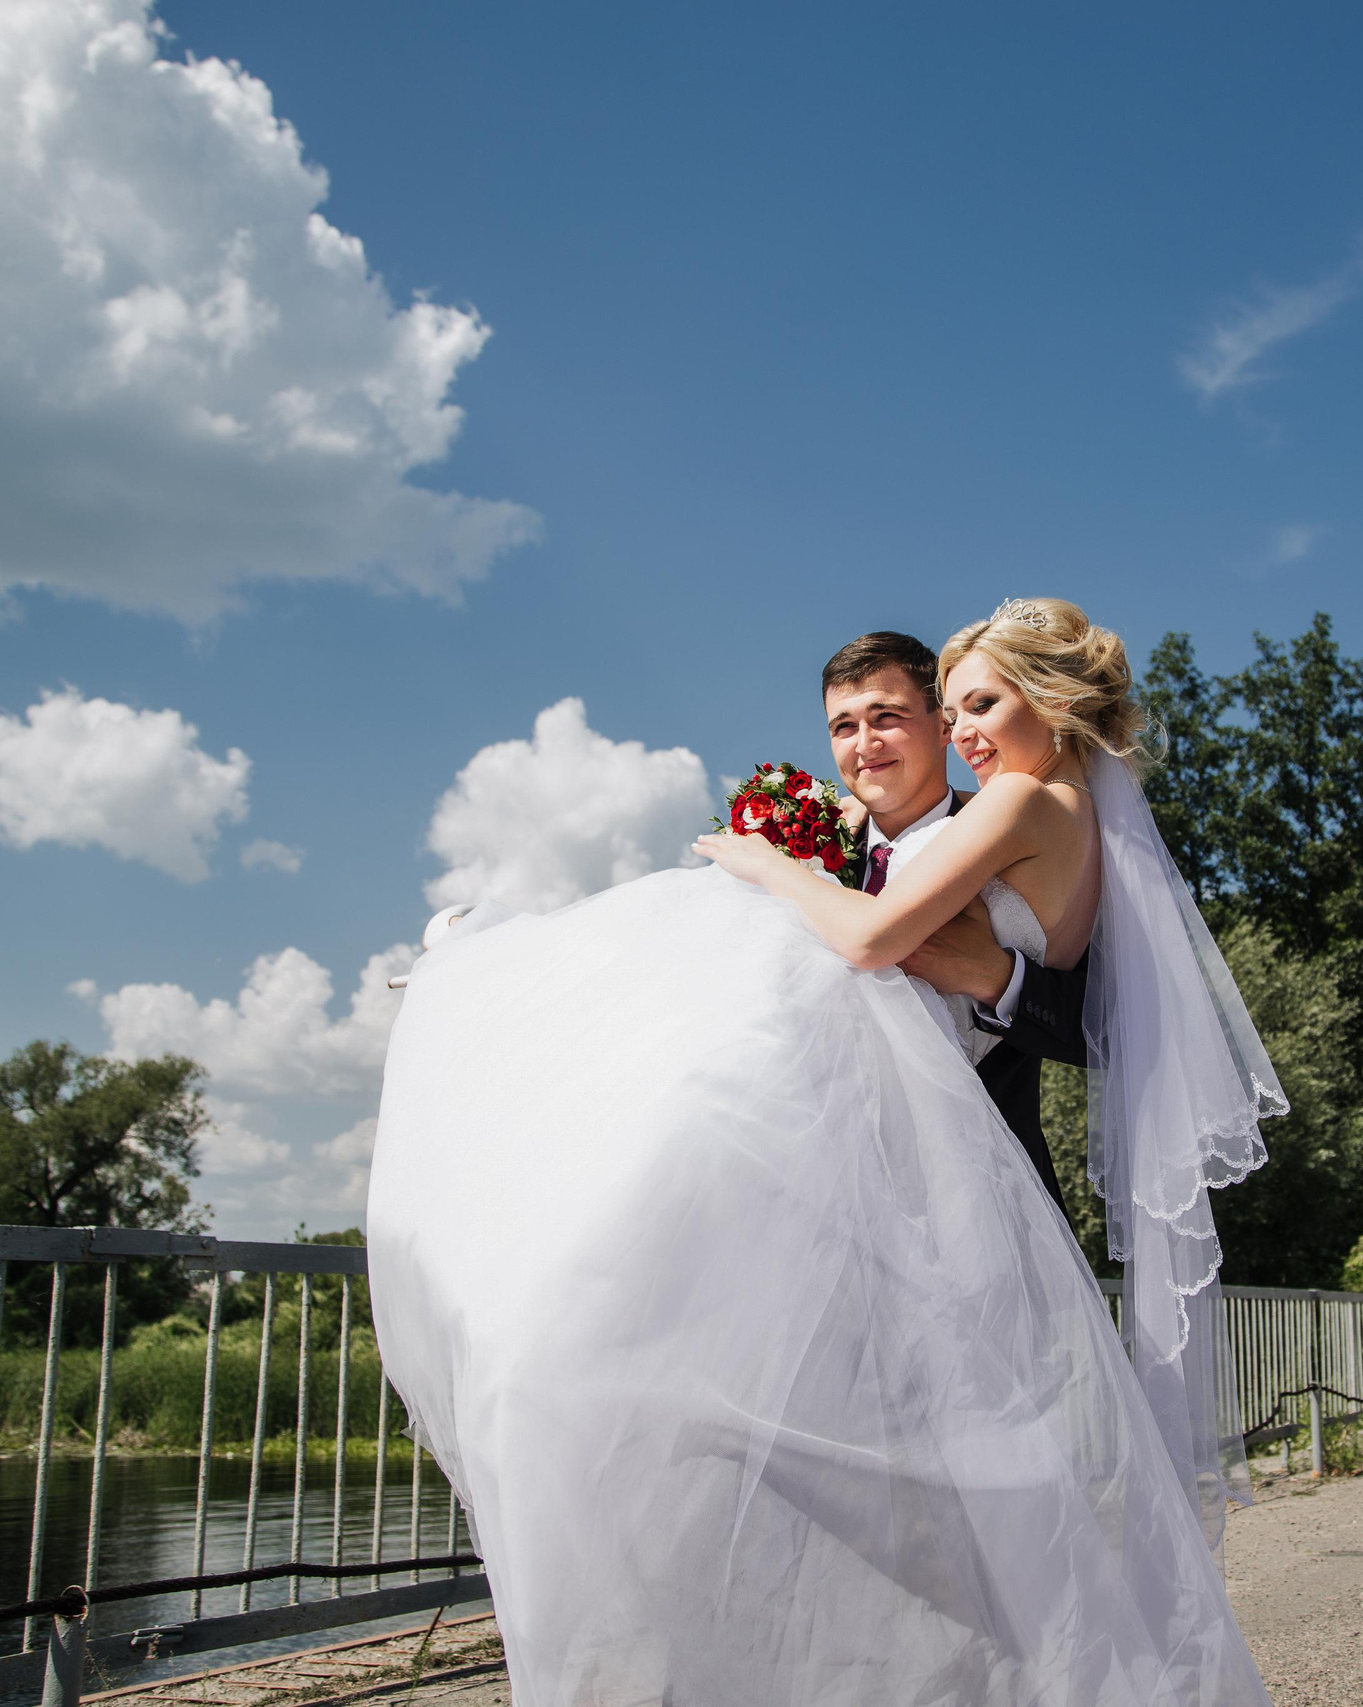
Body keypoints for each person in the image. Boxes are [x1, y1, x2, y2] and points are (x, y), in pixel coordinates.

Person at [370, 598, 1282, 1706]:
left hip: (959, 1201)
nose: (868, 744)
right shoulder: (873, 835)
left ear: (955, 729)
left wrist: (811, 894)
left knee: (982, 1504)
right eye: (847, 726)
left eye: (910, 716)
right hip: (818, 1200)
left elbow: (1081, 1010)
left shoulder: (1008, 810)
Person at [821, 630, 1090, 1208]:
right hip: (819, 1186)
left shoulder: (1021, 832)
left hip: (984, 1194)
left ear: (941, 726)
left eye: (886, 716)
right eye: (843, 727)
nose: (864, 744)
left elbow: (1104, 1026)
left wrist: (999, 978)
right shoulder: (808, 844)